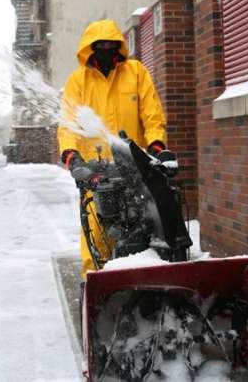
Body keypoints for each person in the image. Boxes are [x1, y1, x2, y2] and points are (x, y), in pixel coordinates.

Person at [57, 18, 172, 278]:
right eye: (100, 46)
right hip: (95, 173)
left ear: (118, 47)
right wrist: (71, 156)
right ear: (91, 48)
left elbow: (152, 114)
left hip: (136, 167)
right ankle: (94, 291)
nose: (106, 51)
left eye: (111, 45)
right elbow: (68, 124)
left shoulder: (136, 72)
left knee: (150, 230)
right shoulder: (79, 81)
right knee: (95, 239)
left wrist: (155, 145)